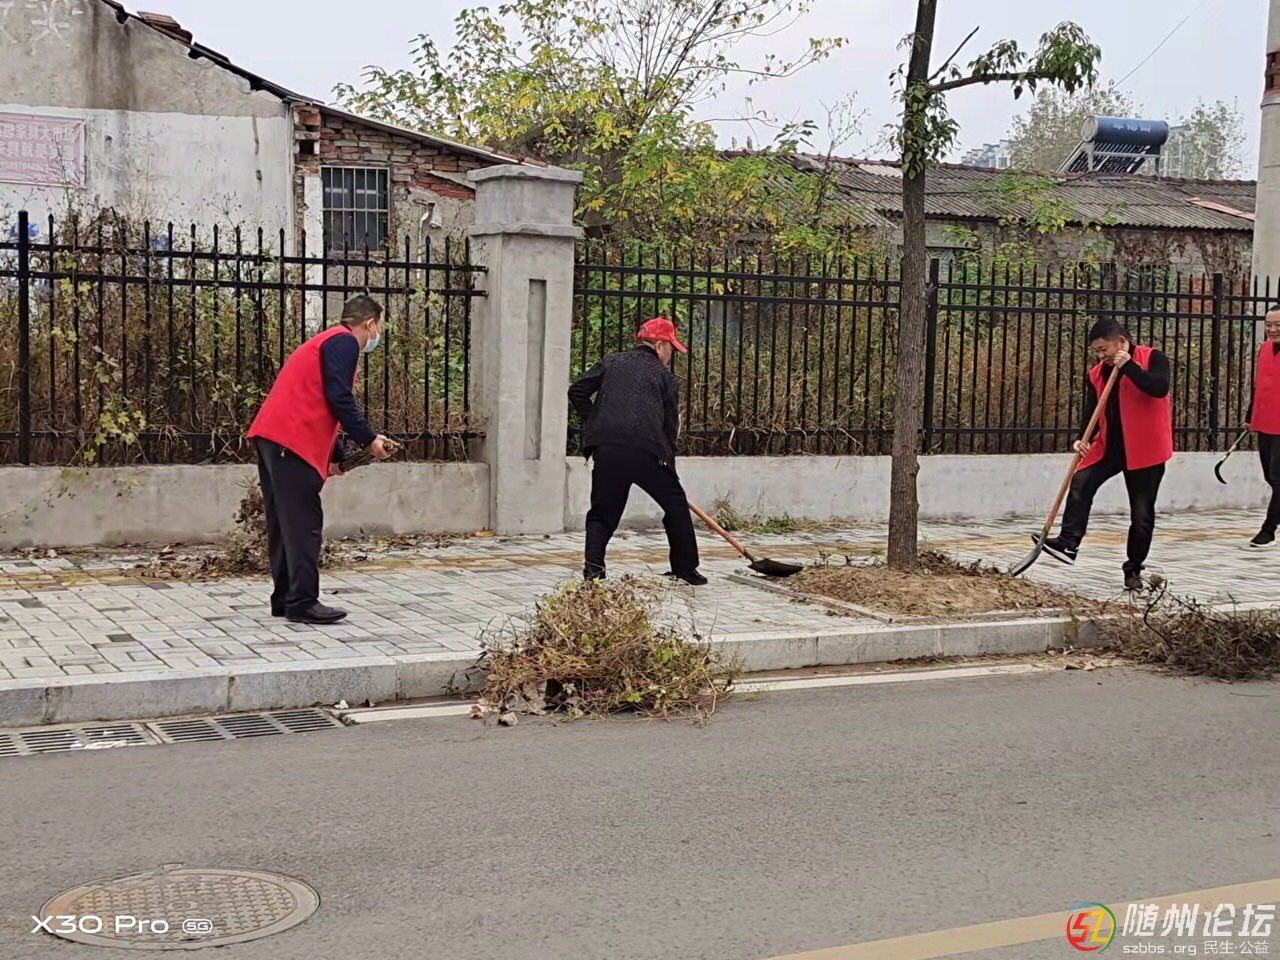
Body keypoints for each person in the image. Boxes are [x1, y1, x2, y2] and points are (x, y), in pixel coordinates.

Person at [246, 296, 392, 624]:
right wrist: (368, 439)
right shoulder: (344, 342)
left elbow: (324, 402)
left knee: (284, 522)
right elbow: (339, 397)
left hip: (274, 437)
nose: (377, 336)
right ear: (370, 323)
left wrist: (337, 457)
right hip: (291, 438)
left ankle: (286, 598)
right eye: (379, 327)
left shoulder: (326, 341)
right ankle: (302, 602)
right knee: (303, 523)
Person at [1034, 318, 1172, 592]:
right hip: (1111, 446)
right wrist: (1082, 438)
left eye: (1103, 349)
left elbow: (1159, 388)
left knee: (1142, 514)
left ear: (1121, 342)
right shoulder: (1097, 373)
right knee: (1081, 481)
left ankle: (1133, 569)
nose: (1100, 356)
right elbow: (1093, 409)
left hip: (1145, 448)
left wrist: (1129, 366)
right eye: (1096, 351)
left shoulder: (1152, 358)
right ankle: (1069, 542)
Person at [568, 316, 706, 586]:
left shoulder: (612, 362)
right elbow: (669, 426)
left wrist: (595, 421)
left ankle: (594, 572)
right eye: (671, 348)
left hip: (607, 451)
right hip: (647, 453)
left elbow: (577, 391)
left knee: (602, 514)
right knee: (676, 506)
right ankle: (686, 569)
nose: (671, 355)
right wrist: (670, 468)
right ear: (659, 345)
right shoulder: (664, 378)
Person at [1244, 305, 1280, 547]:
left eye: (1278, 325)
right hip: (1266, 421)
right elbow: (1261, 384)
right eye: (1269, 324)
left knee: (1278, 478)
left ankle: (1268, 529)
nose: (1272, 329)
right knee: (1270, 475)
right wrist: (1251, 414)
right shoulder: (1265, 349)